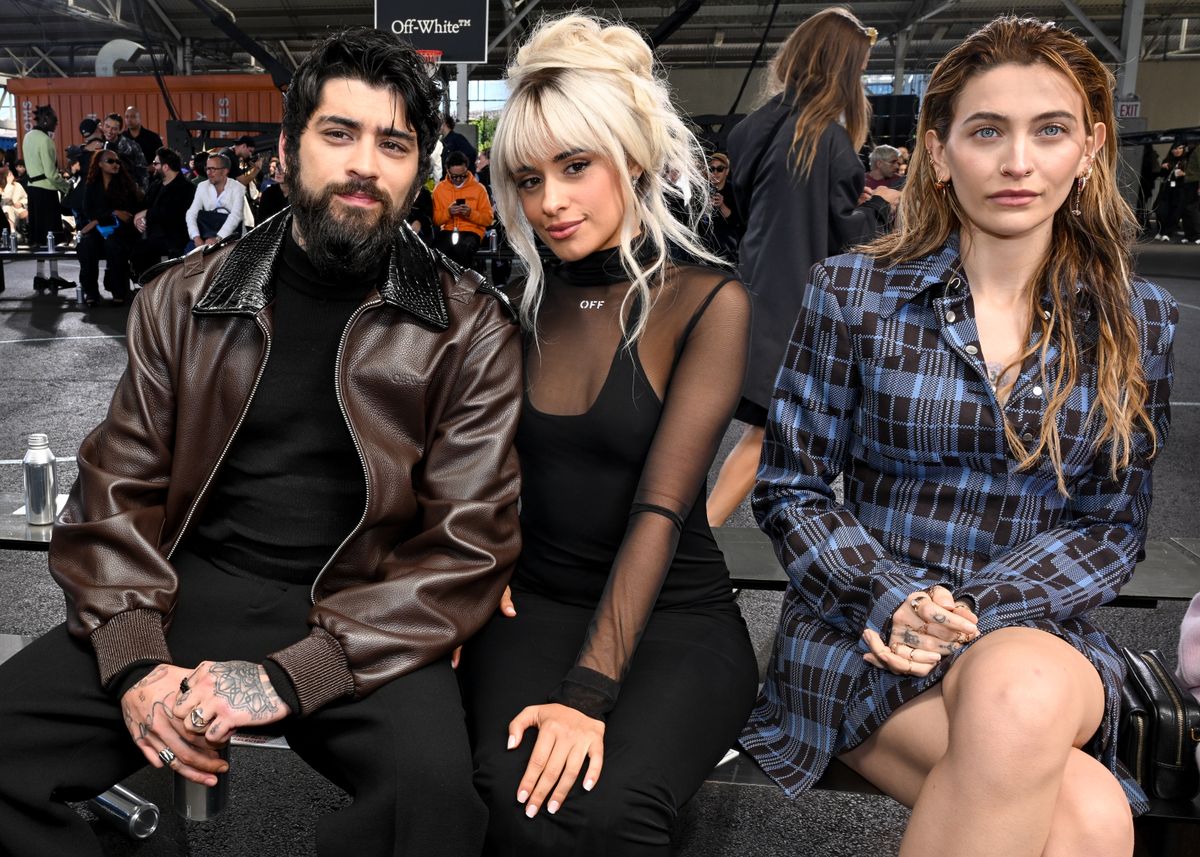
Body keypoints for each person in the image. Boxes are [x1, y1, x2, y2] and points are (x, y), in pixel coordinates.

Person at [0, 26, 521, 857]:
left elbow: (467, 544)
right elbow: (114, 489)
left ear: (417, 168)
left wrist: (289, 675)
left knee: (431, 803)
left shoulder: (468, 327)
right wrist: (135, 663)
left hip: (362, 608)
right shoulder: (186, 297)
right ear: (288, 150)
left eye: (394, 143)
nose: (365, 164)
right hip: (185, 587)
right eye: (339, 133)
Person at [740, 16, 1176, 857]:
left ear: (1088, 148)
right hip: (864, 637)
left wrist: (973, 611)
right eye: (987, 131)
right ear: (938, 154)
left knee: (1017, 685)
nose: (1018, 162)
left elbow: (1111, 525)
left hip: (1040, 634)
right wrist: (898, 598)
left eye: (1048, 131)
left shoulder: (1137, 319)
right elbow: (791, 488)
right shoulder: (852, 290)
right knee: (1089, 819)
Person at [457, 15, 758, 856]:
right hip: (534, 605)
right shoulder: (505, 305)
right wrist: (470, 573)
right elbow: (456, 467)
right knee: (515, 800)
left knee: (616, 803)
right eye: (527, 178)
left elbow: (661, 509)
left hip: (678, 617)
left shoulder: (705, 302)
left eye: (575, 166)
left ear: (631, 159)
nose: (549, 201)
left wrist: (588, 693)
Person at [706, 8, 899, 527]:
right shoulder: (830, 141)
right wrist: (883, 206)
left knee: (746, 431)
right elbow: (847, 235)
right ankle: (698, 536)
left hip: (750, 292)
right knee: (766, 435)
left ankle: (693, 532)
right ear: (842, 71)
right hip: (799, 305)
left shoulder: (750, 129)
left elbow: (751, 212)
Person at [76, 148, 142, 306]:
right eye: (110, 161)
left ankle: (119, 291)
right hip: (100, 228)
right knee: (87, 245)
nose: (115, 164)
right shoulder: (91, 185)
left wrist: (98, 219)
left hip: (121, 229)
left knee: (114, 244)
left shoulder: (125, 184)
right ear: (100, 164)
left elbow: (127, 214)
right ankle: (91, 292)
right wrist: (111, 213)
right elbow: (88, 210)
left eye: (117, 161)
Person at [131, 147, 197, 278]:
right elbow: (143, 206)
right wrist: (138, 219)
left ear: (165, 167)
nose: (153, 166)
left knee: (141, 249)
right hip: (152, 234)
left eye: (156, 163)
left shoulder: (186, 188)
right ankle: (144, 285)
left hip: (175, 237)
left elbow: (173, 213)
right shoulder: (156, 185)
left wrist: (146, 213)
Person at [432, 150, 492, 268]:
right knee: (435, 254)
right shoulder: (439, 190)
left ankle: (463, 285)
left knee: (463, 250)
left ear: (467, 170)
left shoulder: (479, 189)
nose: (458, 179)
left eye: (462, 176)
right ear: (447, 171)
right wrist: (448, 212)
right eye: (454, 176)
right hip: (448, 230)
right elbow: (436, 220)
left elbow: (488, 219)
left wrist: (471, 213)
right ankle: (444, 284)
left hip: (471, 231)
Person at [185, 152, 246, 248]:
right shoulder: (202, 186)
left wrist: (218, 238)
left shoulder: (238, 188)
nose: (209, 172)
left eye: (213, 169)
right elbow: (191, 213)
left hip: (232, 240)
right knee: (189, 250)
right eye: (207, 169)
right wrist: (196, 237)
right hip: (206, 237)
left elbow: (236, 216)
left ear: (225, 171)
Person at [700, 151, 744, 263]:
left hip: (727, 251)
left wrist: (722, 205)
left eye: (720, 169)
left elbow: (737, 222)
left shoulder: (734, 191)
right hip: (706, 250)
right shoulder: (702, 190)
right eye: (712, 169)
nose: (715, 172)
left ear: (727, 171)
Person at [1153, 141, 1189, 242]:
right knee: (1161, 211)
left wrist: (1184, 174)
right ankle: (1161, 231)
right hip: (1166, 189)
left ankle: (1167, 233)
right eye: (1175, 148)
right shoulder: (1168, 160)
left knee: (1174, 212)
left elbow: (1191, 175)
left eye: (1180, 148)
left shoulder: (1186, 161)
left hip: (1179, 189)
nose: (1177, 151)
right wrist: (1163, 168)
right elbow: (1161, 174)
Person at [101, 112, 149, 189]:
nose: (109, 131)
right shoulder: (98, 144)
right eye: (107, 126)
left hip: (126, 191)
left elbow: (143, 172)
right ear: (103, 126)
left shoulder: (131, 146)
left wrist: (141, 193)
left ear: (120, 130)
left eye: (114, 129)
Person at [0, 158, 28, 239]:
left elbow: (26, 198)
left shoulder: (17, 185)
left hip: (19, 210)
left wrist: (22, 203)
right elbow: (4, 199)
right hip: (6, 211)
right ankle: (12, 231)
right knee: (7, 208)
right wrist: (9, 184)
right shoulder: (3, 187)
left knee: (28, 213)